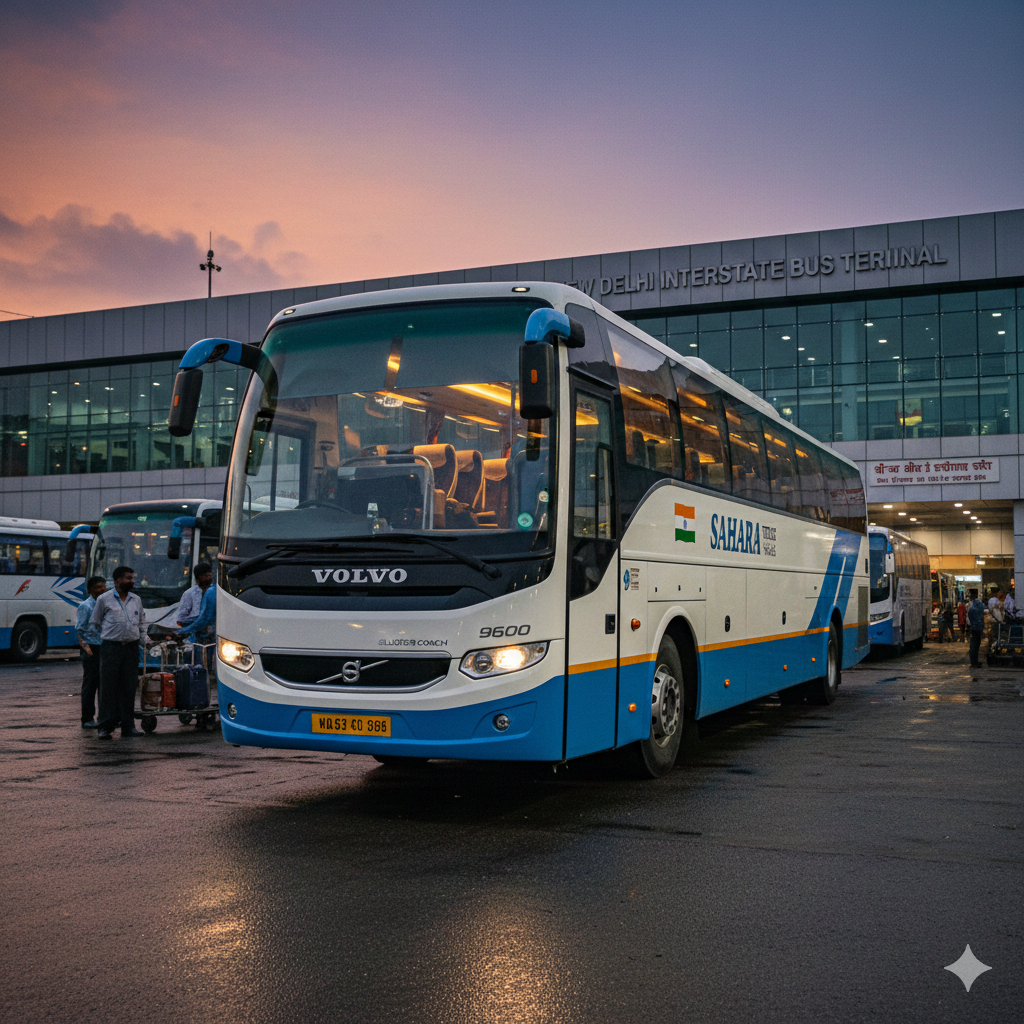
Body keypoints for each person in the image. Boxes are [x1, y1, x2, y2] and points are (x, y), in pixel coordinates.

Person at [90, 566, 149, 739]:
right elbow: (95, 624)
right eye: (128, 578)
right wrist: (107, 639)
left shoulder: (136, 599)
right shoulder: (104, 599)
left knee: (129, 688)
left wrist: (146, 641)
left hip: (131, 648)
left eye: (132, 578)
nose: (132, 581)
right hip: (111, 648)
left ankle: (128, 727)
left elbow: (142, 623)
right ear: (117, 581)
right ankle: (105, 726)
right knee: (108, 688)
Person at [75, 575, 107, 728]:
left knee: (105, 685)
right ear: (91, 590)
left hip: (105, 648)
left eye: (103, 586)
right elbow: (80, 630)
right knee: (90, 685)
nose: (102, 590)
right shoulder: (86, 606)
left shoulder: (105, 605)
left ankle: (105, 717)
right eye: (98, 587)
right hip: (92, 649)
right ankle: (87, 718)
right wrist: (88, 651)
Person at [177, 581, 217, 677]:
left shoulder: (212, 592)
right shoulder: (190, 593)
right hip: (198, 636)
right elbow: (182, 618)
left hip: (209, 636)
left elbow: (205, 618)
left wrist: (182, 631)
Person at [176, 562, 213, 631]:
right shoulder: (189, 594)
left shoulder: (216, 592)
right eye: (205, 576)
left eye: (209, 575)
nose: (208, 578)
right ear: (197, 579)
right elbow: (181, 619)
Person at [967, 588, 986, 668]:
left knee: (973, 645)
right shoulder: (980, 603)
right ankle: (975, 661)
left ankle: (974, 662)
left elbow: (968, 616)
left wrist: (969, 626)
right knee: (977, 645)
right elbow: (986, 611)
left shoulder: (970, 604)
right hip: (979, 627)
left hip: (973, 627)